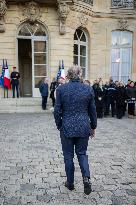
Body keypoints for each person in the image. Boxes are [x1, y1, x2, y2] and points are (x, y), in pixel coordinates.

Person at [54, 65, 97, 195]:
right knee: (82, 153)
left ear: (68, 75)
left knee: (68, 156)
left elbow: (56, 111)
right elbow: (92, 110)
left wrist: (59, 125)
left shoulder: (61, 89)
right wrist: (93, 126)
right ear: (80, 75)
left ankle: (70, 183)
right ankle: (86, 178)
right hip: (83, 126)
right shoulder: (88, 89)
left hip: (66, 126)